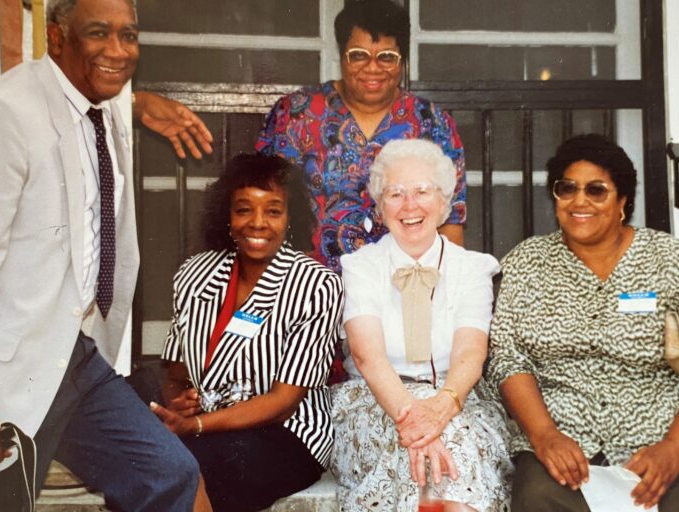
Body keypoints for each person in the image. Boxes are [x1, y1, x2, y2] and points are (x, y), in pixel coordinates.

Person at [0, 0, 210, 510]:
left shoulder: (102, 110)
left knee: (170, 474)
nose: (118, 50)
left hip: (77, 357)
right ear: (57, 37)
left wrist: (137, 102)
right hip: (2, 369)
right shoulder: (3, 116)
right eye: (98, 33)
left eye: (129, 35)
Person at [488, 134, 679, 511]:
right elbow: (506, 358)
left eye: (596, 190)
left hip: (667, 444)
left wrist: (674, 449)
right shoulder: (526, 263)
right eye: (567, 188)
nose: (580, 201)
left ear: (624, 201)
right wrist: (544, 437)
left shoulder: (670, 259)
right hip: (562, 448)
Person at [150, 153, 343, 512]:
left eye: (272, 211)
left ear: (290, 218)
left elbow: (284, 400)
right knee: (150, 463)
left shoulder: (316, 284)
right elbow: (176, 375)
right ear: (227, 216)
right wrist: (178, 402)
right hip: (202, 423)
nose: (257, 223)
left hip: (285, 434)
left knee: (195, 467)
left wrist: (195, 425)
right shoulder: (195, 274)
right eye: (243, 210)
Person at [331, 139, 512, 511]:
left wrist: (439, 409)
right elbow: (368, 358)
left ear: (444, 201)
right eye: (395, 194)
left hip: (457, 401)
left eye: (422, 192)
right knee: (424, 460)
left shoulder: (472, 268)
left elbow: (470, 352)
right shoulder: (360, 267)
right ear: (380, 207)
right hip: (375, 404)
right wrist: (416, 422)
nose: (409, 206)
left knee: (453, 452)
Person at [255, 0, 467, 273]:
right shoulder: (295, 114)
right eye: (358, 55)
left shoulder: (433, 123)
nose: (372, 68)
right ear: (342, 55)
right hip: (306, 289)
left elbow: (451, 223)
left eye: (387, 57)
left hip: (401, 290)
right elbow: (261, 204)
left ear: (403, 59)